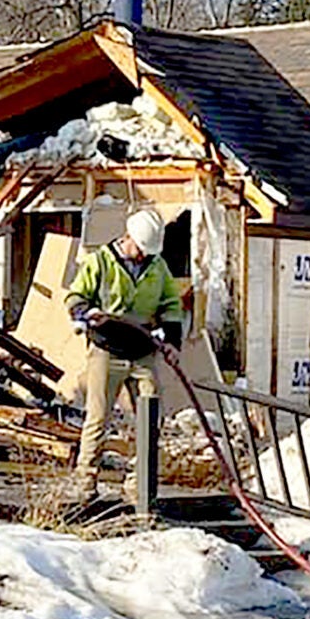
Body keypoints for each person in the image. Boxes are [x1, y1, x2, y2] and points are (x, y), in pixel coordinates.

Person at [65, 208, 186, 490]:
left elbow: (171, 305)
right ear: (128, 237)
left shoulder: (157, 267)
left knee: (150, 415)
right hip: (107, 349)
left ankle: (139, 484)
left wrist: (172, 341)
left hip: (143, 351)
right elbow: (75, 296)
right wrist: (87, 312)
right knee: (98, 417)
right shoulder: (101, 262)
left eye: (149, 252)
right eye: (141, 249)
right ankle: (85, 482)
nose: (144, 256)